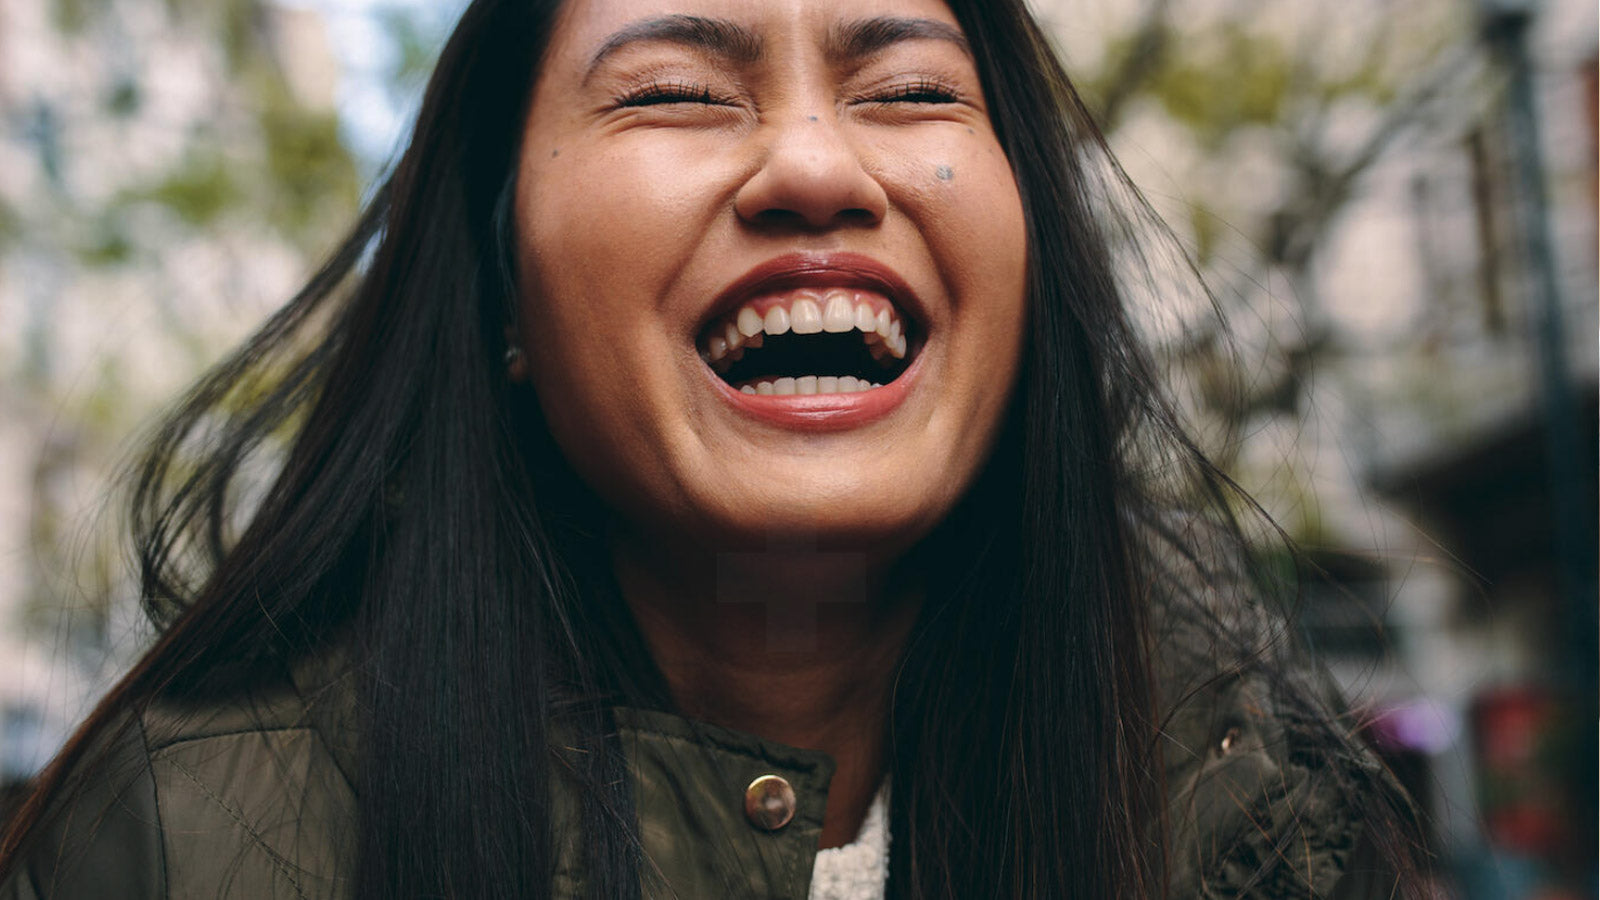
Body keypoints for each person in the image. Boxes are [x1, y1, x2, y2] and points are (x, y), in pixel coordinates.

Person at [0, 0, 1422, 897]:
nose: (815, 164)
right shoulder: (185, 843)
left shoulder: (1255, 808)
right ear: (501, 289)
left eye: (912, 89)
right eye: (676, 89)